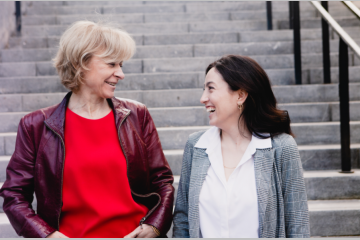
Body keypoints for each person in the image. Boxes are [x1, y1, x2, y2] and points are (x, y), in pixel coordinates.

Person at [0, 21, 174, 238]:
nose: (121, 74)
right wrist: (49, 235)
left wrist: (154, 226)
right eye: (111, 64)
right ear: (80, 63)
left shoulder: (138, 115)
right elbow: (14, 195)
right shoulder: (35, 126)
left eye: (121, 65)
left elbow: (162, 181)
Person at [172, 55, 310, 238]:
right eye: (203, 89)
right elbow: (183, 217)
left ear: (241, 95)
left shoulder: (282, 147)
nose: (203, 98)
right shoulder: (196, 145)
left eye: (210, 88)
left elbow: (297, 223)